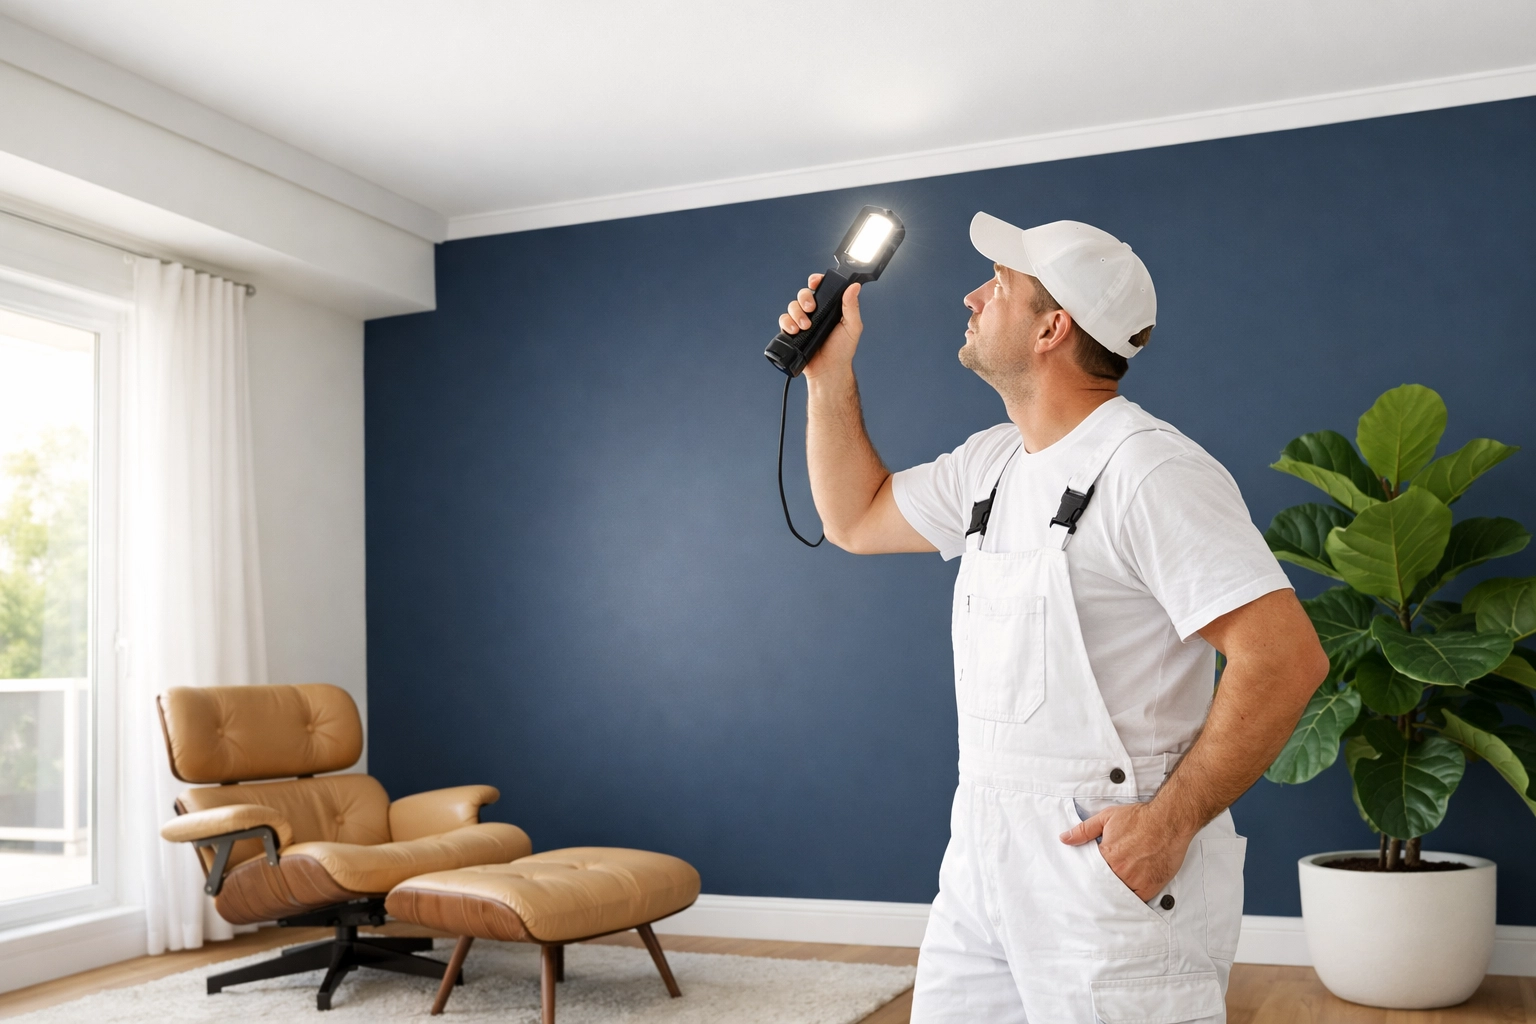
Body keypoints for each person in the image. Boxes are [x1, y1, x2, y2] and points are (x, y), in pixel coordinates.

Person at [775, 213, 1329, 1022]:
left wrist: (1167, 826)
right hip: (985, 854)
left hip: (1106, 860)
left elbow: (1285, 658)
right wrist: (829, 372)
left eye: (997, 285)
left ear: (1052, 327)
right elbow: (854, 518)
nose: (971, 295)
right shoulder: (992, 463)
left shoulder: (1151, 470)